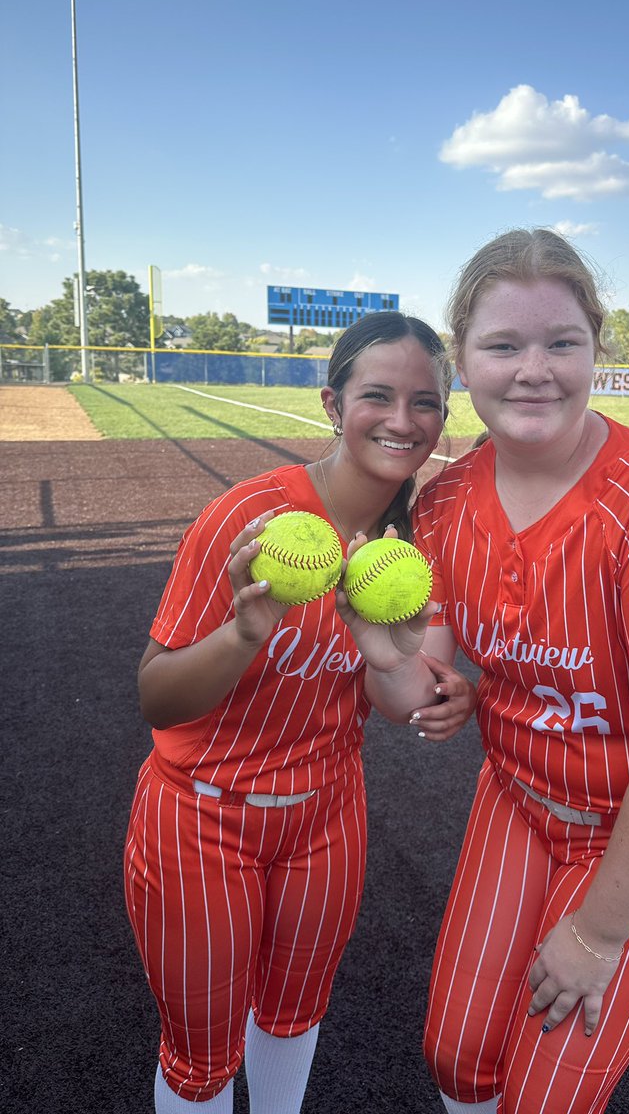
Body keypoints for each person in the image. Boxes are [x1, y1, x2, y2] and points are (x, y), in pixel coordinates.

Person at [340, 230, 629, 1114]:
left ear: (595, 348)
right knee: (456, 1057)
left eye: (561, 342)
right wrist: (390, 659)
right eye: (503, 345)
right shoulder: (445, 502)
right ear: (463, 361)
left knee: (546, 1100)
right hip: (519, 798)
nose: (534, 370)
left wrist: (598, 935)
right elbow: (419, 695)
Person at [123, 312, 475, 1113]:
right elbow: (156, 696)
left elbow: (403, 705)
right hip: (203, 818)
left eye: (425, 402)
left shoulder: (415, 544)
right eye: (377, 395)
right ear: (332, 403)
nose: (402, 420)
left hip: (326, 816)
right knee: (201, 1057)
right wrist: (245, 634)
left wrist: (402, 663)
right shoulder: (253, 518)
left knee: (293, 1015)